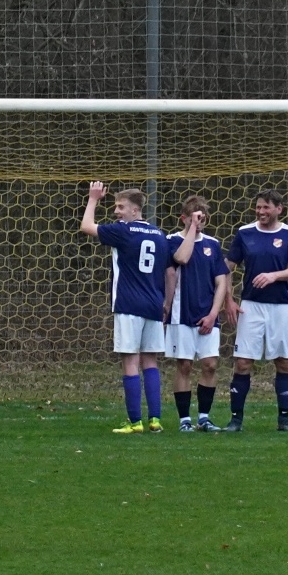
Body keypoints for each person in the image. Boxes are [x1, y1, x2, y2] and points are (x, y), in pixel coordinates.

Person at [81, 181, 182, 434]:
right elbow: (171, 274)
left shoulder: (123, 231)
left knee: (130, 361)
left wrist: (93, 199)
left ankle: (135, 422)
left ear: (135, 210)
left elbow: (86, 227)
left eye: (121, 207)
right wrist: (167, 303)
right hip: (154, 305)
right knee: (151, 361)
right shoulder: (159, 235)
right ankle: (155, 420)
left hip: (128, 304)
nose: (116, 211)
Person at [221, 189, 288, 432]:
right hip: (251, 306)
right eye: (258, 207)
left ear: (279, 209)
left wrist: (273, 276)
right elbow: (226, 268)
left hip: (281, 307)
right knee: (243, 362)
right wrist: (229, 300)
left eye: (266, 207)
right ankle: (236, 420)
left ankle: (284, 420)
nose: (260, 211)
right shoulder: (245, 233)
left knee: (283, 362)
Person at [163, 196, 229, 432]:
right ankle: (184, 420)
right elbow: (181, 258)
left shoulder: (213, 244)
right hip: (180, 314)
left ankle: (204, 418)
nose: (200, 223)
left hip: (207, 316)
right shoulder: (171, 241)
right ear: (184, 218)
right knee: (184, 365)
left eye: (203, 219)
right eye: (195, 218)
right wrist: (191, 228)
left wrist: (213, 314)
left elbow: (221, 282)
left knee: (210, 365)